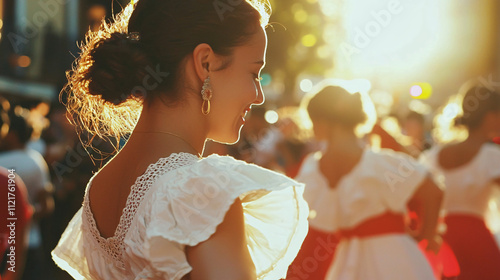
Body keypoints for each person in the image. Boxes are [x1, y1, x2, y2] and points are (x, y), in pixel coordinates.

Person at [51, 1, 308, 279]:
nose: (259, 96)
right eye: (254, 73)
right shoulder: (201, 191)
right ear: (205, 63)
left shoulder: (97, 190)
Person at [288, 84, 442, 280]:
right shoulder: (377, 163)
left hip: (383, 258)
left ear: (323, 120)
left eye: (313, 120)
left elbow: (433, 190)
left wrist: (425, 235)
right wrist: (425, 235)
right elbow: (434, 190)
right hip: (370, 255)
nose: (311, 127)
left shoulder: (374, 163)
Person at [420, 84, 500, 280]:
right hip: (476, 241)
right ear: (490, 116)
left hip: (439, 239)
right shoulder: (491, 156)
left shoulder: (433, 155)